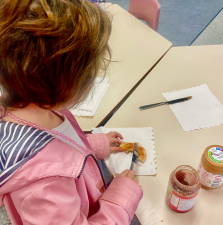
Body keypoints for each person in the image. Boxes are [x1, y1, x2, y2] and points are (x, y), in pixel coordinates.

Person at [0, 0, 143, 224]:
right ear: (67, 86)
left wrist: (93, 145)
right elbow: (49, 162)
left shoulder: (27, 105)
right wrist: (121, 202)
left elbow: (57, 143)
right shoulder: (45, 187)